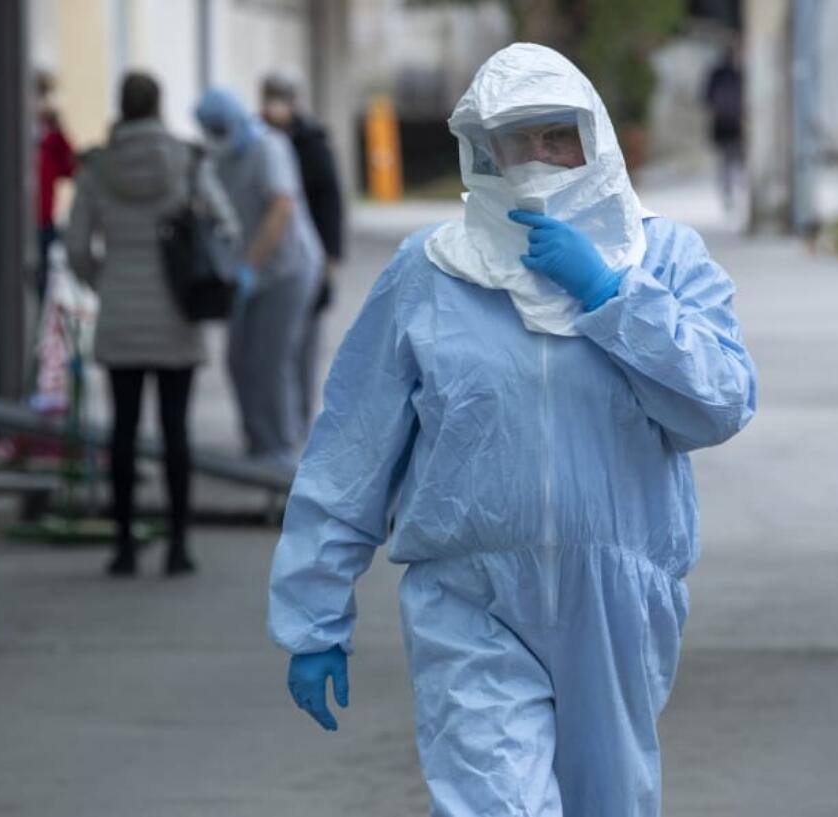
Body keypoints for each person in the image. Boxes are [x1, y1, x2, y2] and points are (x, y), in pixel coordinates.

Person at [268, 43, 758, 816]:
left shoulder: (662, 257)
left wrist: (611, 295)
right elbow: (352, 449)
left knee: (610, 803)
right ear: (481, 150)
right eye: (515, 140)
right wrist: (314, 611)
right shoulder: (429, 273)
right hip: (471, 596)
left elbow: (720, 401)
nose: (537, 159)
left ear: (593, 137)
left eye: (555, 135)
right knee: (493, 805)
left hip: (619, 598)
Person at [65, 72, 240, 577]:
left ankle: (122, 547)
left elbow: (76, 245)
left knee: (122, 430)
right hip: (176, 312)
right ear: (160, 105)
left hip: (120, 309)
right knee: (174, 429)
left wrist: (104, 281)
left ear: (121, 107)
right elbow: (227, 224)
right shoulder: (187, 161)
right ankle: (178, 546)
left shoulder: (96, 168)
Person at [195, 88, 323, 467]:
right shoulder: (221, 157)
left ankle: (280, 448)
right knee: (238, 359)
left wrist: (250, 265)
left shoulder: (269, 148)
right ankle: (256, 441)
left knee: (273, 359)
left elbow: (281, 208)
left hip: (288, 269)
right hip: (246, 272)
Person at [260, 72, 345, 427]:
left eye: (281, 98)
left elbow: (330, 203)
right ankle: (279, 420)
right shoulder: (259, 139)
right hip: (270, 255)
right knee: (274, 349)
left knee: (305, 345)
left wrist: (330, 260)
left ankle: (299, 419)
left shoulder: (311, 143)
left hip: (308, 256)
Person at [35, 69, 77, 304]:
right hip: (25, 220)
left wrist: (58, 131)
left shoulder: (50, 136)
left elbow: (69, 168)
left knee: (44, 284)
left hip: (44, 219)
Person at [703, 44, 746, 217]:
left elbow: (706, 97)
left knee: (726, 159)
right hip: (737, 122)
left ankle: (729, 191)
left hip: (721, 122)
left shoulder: (716, 74)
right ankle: (737, 191)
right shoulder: (739, 74)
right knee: (736, 158)